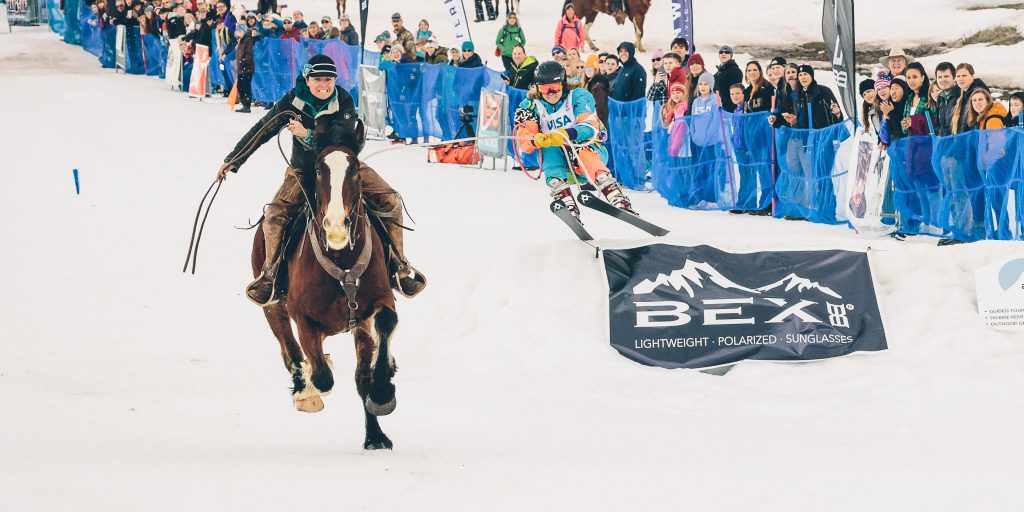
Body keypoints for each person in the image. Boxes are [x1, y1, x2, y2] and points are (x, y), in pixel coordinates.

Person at [216, 55, 425, 305]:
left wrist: (308, 135)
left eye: (328, 79)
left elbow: (342, 137)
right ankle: (270, 275)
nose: (324, 85)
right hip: (304, 170)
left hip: (343, 167)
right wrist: (234, 159)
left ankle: (399, 267)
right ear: (308, 79)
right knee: (274, 217)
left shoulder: (343, 100)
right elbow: (262, 129)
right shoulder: (291, 101)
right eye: (318, 80)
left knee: (391, 201)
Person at [514, 61, 636, 218]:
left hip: (589, 154)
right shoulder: (529, 105)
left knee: (582, 150)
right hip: (559, 164)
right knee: (548, 149)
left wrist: (565, 134)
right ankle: (564, 198)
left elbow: (590, 127)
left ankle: (615, 195)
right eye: (545, 88)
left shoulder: (578, 96)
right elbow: (523, 139)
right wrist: (535, 139)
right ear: (538, 87)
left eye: (555, 87)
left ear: (563, 84)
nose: (551, 93)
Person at [951, 63, 990, 134]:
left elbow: (976, 121)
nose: (961, 79)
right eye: (958, 76)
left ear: (972, 76)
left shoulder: (977, 94)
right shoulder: (962, 93)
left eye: (964, 76)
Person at [583, 55, 611, 128]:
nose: (588, 71)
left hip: (598, 123)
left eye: (591, 69)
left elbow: (600, 108)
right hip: (589, 119)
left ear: (596, 70)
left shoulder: (598, 86)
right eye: (586, 69)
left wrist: (596, 123)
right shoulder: (588, 83)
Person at [933, 62, 959, 136]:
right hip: (945, 142)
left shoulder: (961, 95)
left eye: (946, 76)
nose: (943, 80)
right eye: (940, 77)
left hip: (958, 142)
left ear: (954, 77)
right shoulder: (940, 98)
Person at [714, 46, 743, 112]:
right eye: (721, 52)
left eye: (727, 52)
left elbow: (735, 92)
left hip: (729, 110)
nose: (723, 54)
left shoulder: (734, 70)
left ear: (731, 55)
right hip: (719, 108)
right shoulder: (718, 73)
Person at [234, 22, 255, 112]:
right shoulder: (241, 40)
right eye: (237, 31)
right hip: (241, 68)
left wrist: (243, 62)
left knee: (245, 86)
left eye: (240, 31)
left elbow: (249, 53)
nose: (238, 33)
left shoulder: (247, 39)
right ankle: (244, 104)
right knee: (241, 86)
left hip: (246, 68)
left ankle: (247, 105)